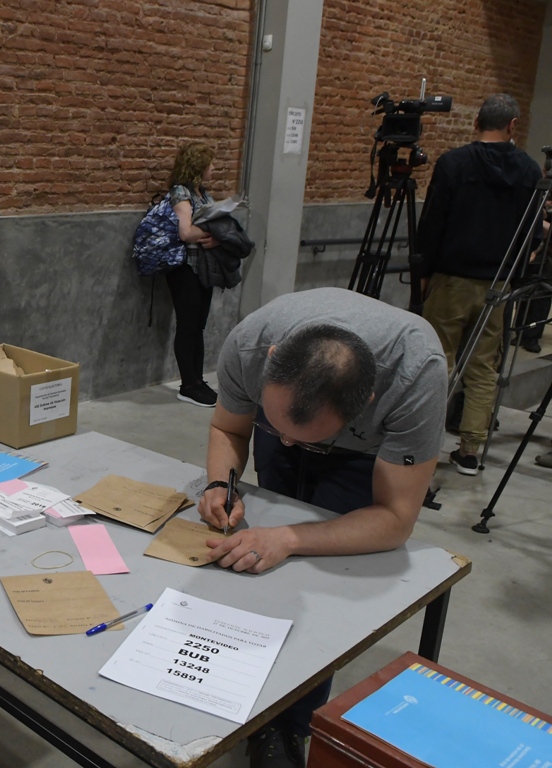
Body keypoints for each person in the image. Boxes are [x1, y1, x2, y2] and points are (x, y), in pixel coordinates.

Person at [195, 287, 446, 768]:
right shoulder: (250, 345)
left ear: (366, 401)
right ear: (272, 360)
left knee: (326, 576)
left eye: (305, 436)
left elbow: (394, 520)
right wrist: (218, 483)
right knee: (259, 562)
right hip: (301, 410)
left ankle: (289, 725)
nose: (289, 444)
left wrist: (290, 538)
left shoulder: (415, 374)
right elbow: (228, 428)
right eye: (280, 426)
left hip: (360, 456)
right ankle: (240, 683)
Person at [418, 94, 543, 477]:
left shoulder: (454, 163)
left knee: (438, 361)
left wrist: (424, 271)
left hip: (451, 278)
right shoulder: (529, 170)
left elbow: (433, 221)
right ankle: (470, 449)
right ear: (512, 126)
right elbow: (532, 233)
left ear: (476, 122)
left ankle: (423, 444)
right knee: (484, 367)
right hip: (498, 284)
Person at [165, 142, 220, 407]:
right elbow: (186, 232)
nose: (214, 168)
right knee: (187, 326)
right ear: (198, 166)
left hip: (203, 267)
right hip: (185, 268)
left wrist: (216, 237)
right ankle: (188, 385)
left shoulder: (203, 193)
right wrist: (215, 233)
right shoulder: (180, 192)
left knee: (198, 326)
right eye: (210, 164)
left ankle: (197, 380)